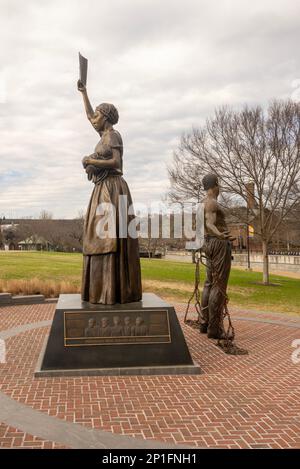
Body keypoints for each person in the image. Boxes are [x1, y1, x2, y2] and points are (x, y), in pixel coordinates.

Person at [78, 79, 142, 304]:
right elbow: (88, 116)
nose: (93, 118)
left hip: (114, 189)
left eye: (97, 115)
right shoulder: (102, 136)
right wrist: (84, 93)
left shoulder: (113, 135)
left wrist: (91, 159)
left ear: (105, 117)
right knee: (99, 236)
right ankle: (102, 289)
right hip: (101, 188)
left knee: (112, 237)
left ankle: (116, 290)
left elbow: (116, 163)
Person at [200, 174, 235, 339]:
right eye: (219, 185)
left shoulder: (202, 203)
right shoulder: (212, 202)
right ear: (215, 185)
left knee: (208, 284)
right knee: (219, 285)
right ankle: (215, 329)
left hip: (209, 244)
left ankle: (204, 323)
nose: (220, 188)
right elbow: (209, 224)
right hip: (218, 244)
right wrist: (221, 235)